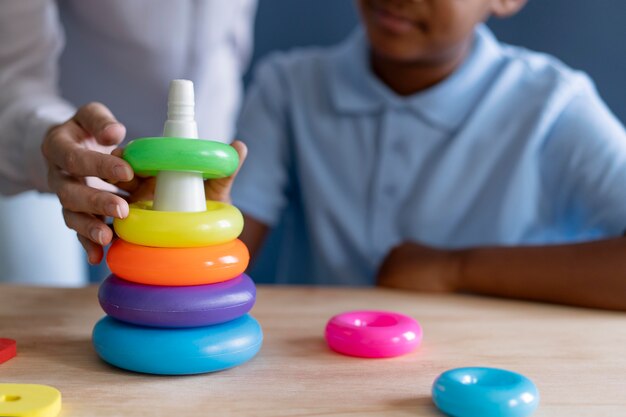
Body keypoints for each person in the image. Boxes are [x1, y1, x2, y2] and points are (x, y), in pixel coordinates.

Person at [231, 0, 626, 310]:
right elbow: (221, 262)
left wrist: (455, 268)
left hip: (496, 372)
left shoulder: (552, 107)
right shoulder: (289, 87)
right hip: (317, 365)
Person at [0, 0, 256, 284]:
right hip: (74, 143)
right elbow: (12, 76)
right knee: (42, 296)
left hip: (202, 153)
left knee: (173, 299)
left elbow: (230, 40)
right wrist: (52, 138)